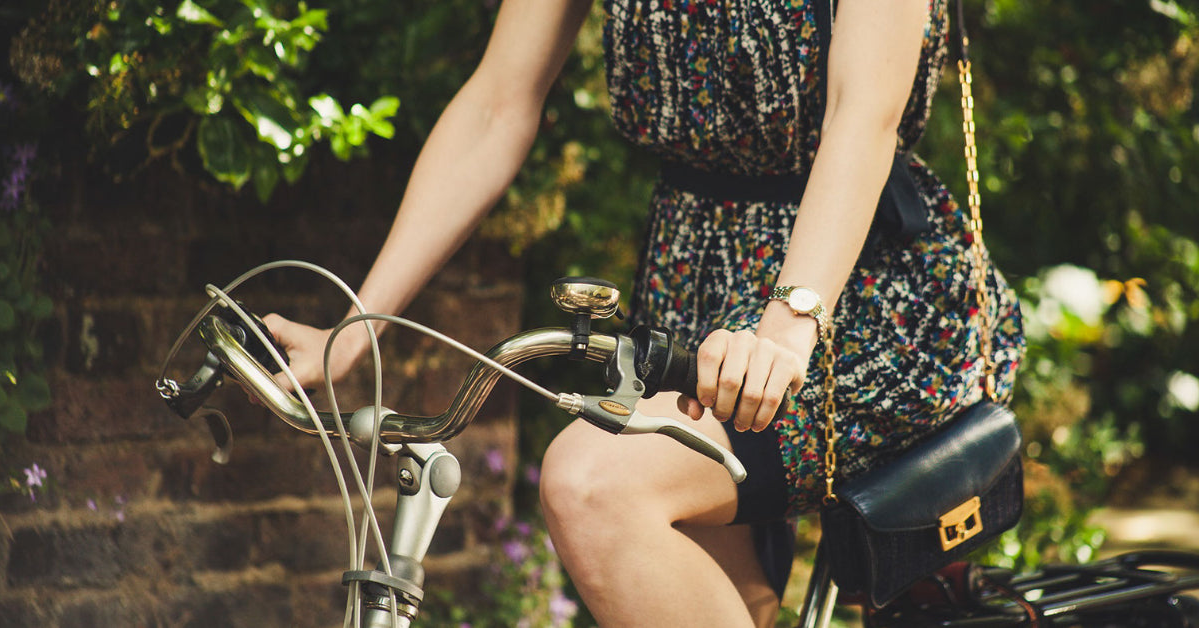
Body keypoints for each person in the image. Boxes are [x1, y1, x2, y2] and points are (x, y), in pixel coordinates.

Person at [264, 0, 1026, 625]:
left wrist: (789, 327)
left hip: (856, 287)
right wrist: (358, 327)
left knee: (592, 484)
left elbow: (862, 121)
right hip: (691, 275)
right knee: (727, 601)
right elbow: (499, 104)